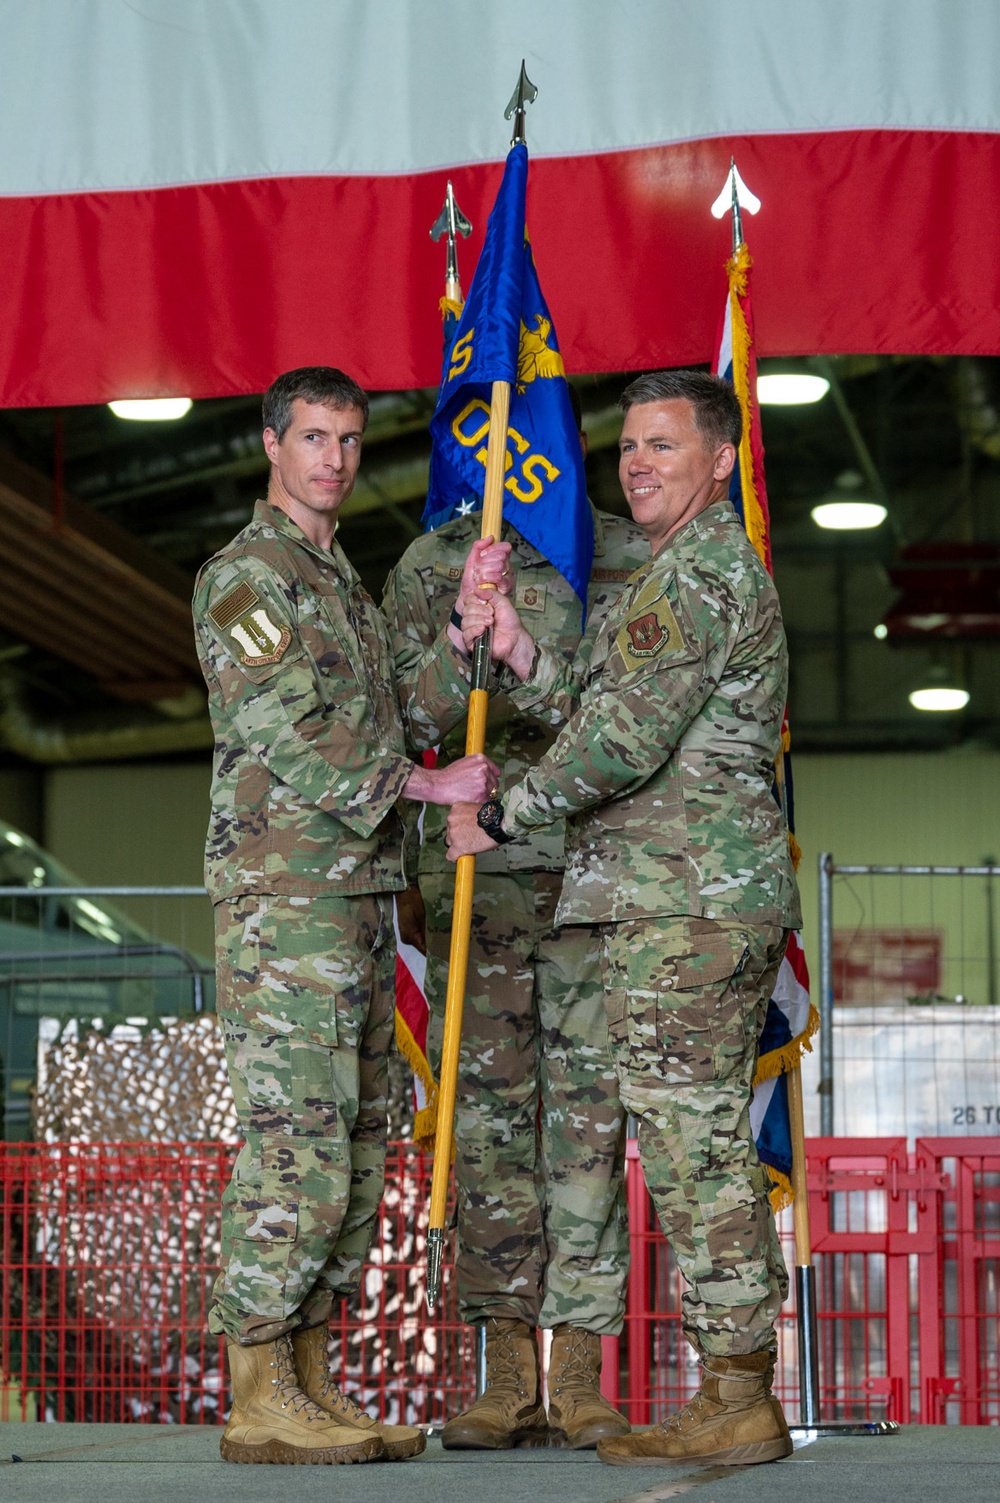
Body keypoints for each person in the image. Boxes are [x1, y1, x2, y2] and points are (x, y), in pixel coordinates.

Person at [446, 369, 802, 1468]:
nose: (637, 464)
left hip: (690, 900)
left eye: (662, 445)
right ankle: (731, 1386)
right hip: (674, 897)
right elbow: (606, 708)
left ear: (720, 458)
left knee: (693, 1146)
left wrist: (500, 815)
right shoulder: (669, 576)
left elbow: (619, 747)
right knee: (687, 1138)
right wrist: (516, 655)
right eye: (628, 448)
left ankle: (739, 1394)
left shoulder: (696, 576)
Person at [192, 366, 498, 1466]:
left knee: (357, 1146)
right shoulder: (244, 579)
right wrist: (423, 790)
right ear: (270, 444)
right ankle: (259, 1388)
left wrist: (460, 640)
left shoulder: (338, 583)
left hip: (361, 893)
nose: (334, 459)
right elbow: (291, 732)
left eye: (351, 440)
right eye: (313, 437)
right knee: (296, 1144)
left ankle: (308, 1385)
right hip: (289, 902)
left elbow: (393, 713)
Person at [382, 391, 647, 1449]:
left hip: (588, 881)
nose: (503, 446)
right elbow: (396, 719)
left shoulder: (619, 558)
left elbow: (632, 715)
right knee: (488, 1127)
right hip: (473, 889)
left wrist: (528, 654)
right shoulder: (425, 567)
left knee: (587, 1124)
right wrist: (464, 637)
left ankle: (577, 1372)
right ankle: (501, 1374)